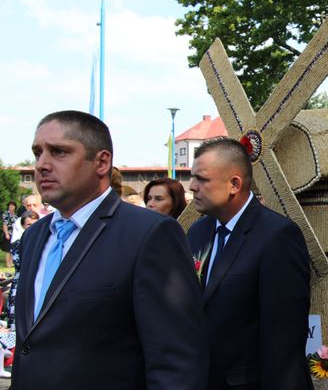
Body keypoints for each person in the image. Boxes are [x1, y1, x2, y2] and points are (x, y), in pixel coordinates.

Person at [12, 110, 208, 390]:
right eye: (38, 153)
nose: (42, 164)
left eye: (59, 152)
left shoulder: (149, 234)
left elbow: (176, 359)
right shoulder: (34, 237)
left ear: (101, 162)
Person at [187, 138, 313, 390]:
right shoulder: (198, 231)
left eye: (201, 179)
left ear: (234, 184)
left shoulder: (277, 236)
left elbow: (284, 339)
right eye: (192, 177)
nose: (192, 186)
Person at [7, 210, 40, 332]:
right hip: (21, 285)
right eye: (29, 224)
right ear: (23, 226)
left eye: (36, 223)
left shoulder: (46, 243)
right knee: (16, 326)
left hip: (37, 286)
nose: (33, 227)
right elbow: (21, 263)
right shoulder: (18, 244)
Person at [2, 201, 18, 267]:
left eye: (13, 205)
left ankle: (11, 262)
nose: (12, 207)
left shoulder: (15, 215)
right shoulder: (6, 214)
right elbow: (4, 225)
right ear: (8, 206)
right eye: (10, 205)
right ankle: (8, 263)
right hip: (8, 233)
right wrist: (6, 234)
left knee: (12, 249)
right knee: (8, 250)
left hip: (14, 234)